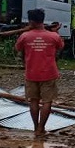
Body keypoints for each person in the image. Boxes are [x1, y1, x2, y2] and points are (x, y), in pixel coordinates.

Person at [15, 8, 65, 138]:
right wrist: (56, 32)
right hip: (49, 73)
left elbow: (18, 48)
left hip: (31, 73)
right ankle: (41, 129)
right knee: (47, 101)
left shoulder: (24, 36)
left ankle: (35, 127)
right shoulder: (53, 36)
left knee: (33, 101)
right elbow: (61, 46)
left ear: (31, 21)